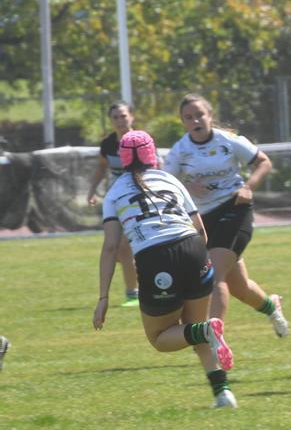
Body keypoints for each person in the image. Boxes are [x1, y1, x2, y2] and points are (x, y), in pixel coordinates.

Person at [92, 130, 237, 408]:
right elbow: (201, 232)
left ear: (122, 159)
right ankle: (223, 394)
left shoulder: (115, 193)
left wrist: (103, 298)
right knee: (195, 329)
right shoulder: (169, 179)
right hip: (194, 249)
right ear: (153, 154)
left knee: (160, 338)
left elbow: (111, 247)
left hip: (157, 258)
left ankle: (207, 333)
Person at [164, 94, 289, 338]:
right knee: (239, 287)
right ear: (183, 122)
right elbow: (167, 182)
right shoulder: (180, 150)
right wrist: (187, 188)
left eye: (200, 114)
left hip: (235, 209)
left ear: (210, 116)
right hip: (203, 219)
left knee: (214, 274)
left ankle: (214, 337)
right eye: (188, 117)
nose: (195, 120)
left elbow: (263, 162)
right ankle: (272, 306)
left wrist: (248, 187)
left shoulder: (228, 140)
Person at [86, 103, 139, 307]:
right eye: (115, 117)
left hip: (137, 200)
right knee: (117, 249)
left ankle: (133, 293)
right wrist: (92, 191)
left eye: (123, 116)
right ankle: (140, 281)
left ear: (132, 117)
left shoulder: (140, 140)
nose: (120, 120)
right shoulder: (108, 144)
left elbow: (155, 167)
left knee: (124, 248)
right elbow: (101, 167)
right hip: (117, 200)